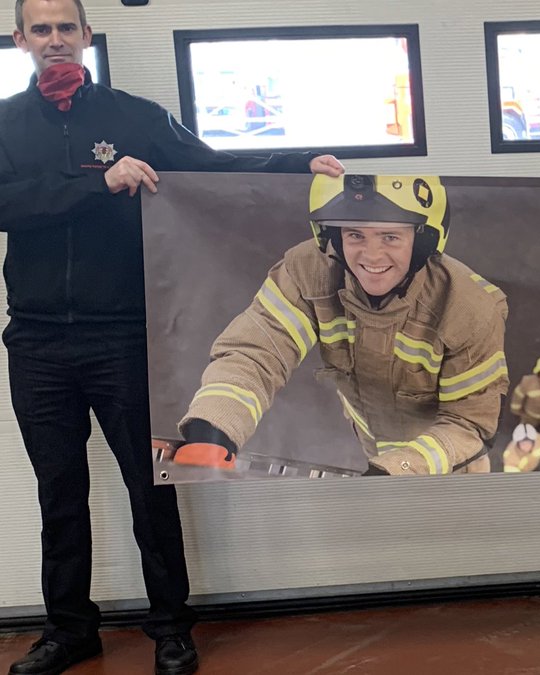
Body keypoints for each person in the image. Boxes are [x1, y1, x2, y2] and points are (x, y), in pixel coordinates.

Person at [0, 1, 344, 673]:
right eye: (40, 29)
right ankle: (69, 629)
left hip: (124, 336)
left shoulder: (136, 117)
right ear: (20, 40)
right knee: (59, 492)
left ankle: (171, 628)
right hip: (37, 344)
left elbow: (211, 171)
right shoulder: (6, 124)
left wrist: (301, 162)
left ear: (87, 37)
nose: (55, 40)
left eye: (66, 28)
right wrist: (101, 183)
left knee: (147, 488)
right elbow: (8, 203)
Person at [175, 174, 509, 477]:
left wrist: (395, 469)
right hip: (374, 452)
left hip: (450, 466)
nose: (372, 255)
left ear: (422, 240)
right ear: (334, 235)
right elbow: (256, 352)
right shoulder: (307, 271)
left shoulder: (469, 306)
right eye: (355, 234)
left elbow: (467, 424)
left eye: (390, 236)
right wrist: (213, 428)